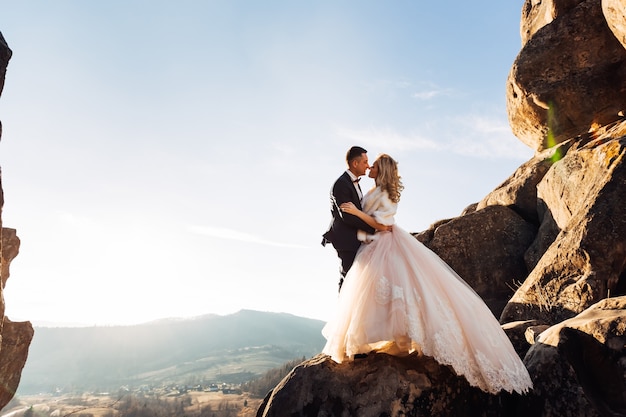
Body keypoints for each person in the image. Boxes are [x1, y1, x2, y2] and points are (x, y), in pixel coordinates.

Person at [321, 154, 533, 395]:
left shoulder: (387, 193)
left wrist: (357, 214)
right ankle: (371, 339)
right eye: (368, 163)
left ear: (382, 170)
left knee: (395, 289)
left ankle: (403, 337)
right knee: (372, 292)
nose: (370, 166)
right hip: (370, 245)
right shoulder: (370, 189)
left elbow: (384, 225)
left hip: (384, 244)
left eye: (374, 165)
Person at [322, 146, 376, 291]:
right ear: (355, 164)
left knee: (355, 278)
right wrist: (373, 228)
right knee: (348, 277)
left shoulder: (354, 183)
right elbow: (347, 216)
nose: (368, 165)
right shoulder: (341, 184)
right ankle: (344, 312)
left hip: (355, 238)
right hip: (345, 239)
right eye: (365, 162)